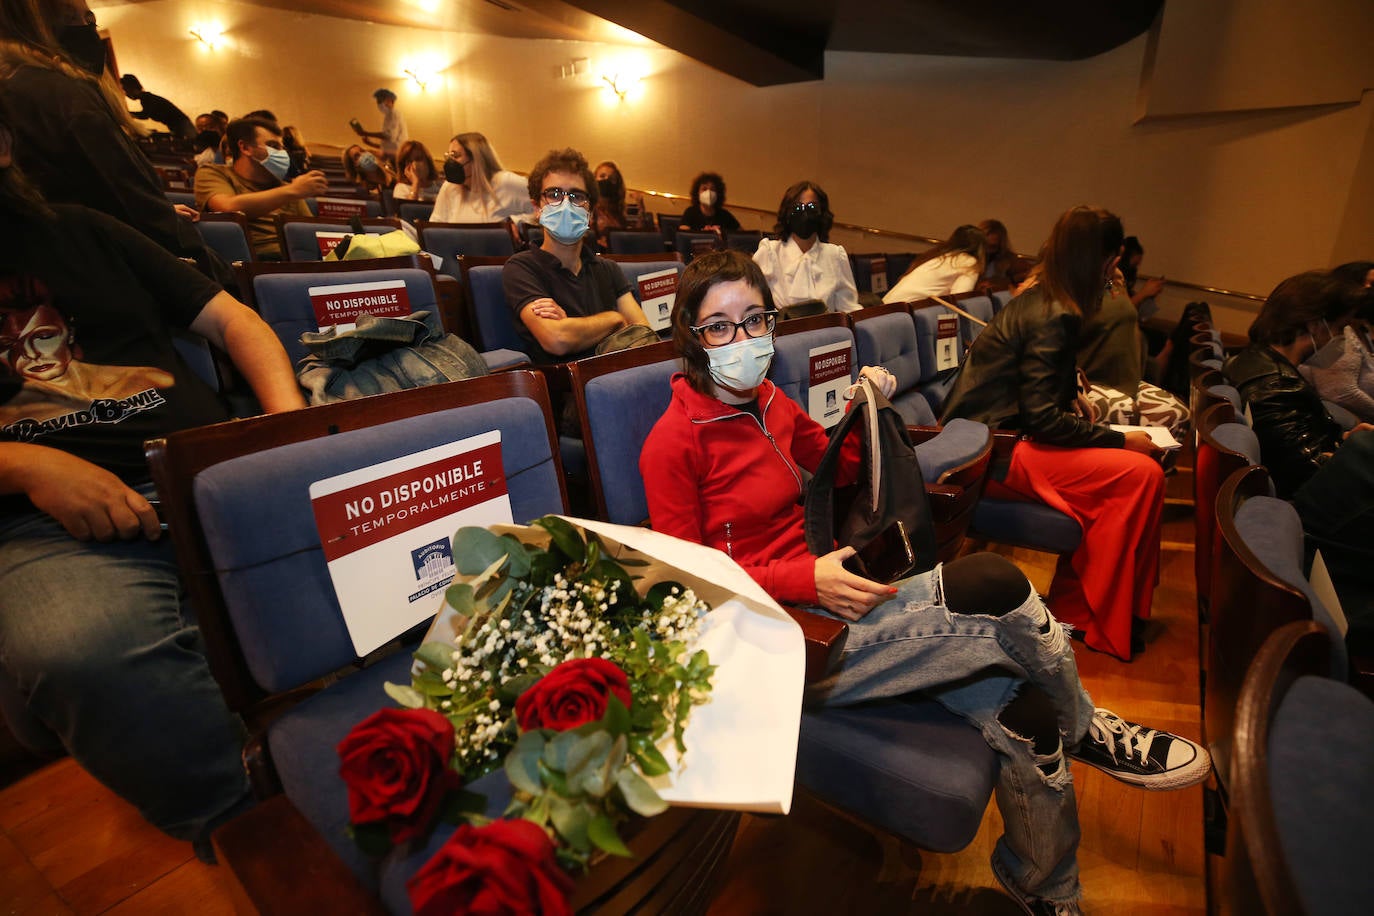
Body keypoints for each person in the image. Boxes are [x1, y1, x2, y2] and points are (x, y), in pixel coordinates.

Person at [640, 249, 1211, 916]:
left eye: (755, 319)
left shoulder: (769, 400)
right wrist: (802, 576)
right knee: (994, 580)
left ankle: (1045, 888)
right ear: (691, 335)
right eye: (720, 326)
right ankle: (1086, 725)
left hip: (834, 592)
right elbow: (687, 582)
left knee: (1028, 714)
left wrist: (867, 411)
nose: (743, 340)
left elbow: (841, 468)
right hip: (782, 639)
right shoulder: (673, 441)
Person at [0, 107, 306, 859]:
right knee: (83, 650)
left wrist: (285, 430)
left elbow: (238, 326)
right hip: (44, 525)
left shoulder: (84, 228)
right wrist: (28, 464)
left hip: (212, 472)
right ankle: (258, 835)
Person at [942, 206, 1168, 661]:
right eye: (1115, 261)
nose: (1117, 271)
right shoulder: (1057, 311)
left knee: (1143, 470)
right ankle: (1092, 613)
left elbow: (1038, 391)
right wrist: (1121, 440)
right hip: (992, 451)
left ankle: (1095, 606)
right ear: (1105, 260)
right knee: (1139, 473)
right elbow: (1042, 419)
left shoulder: (1049, 298)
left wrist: (1071, 394)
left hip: (996, 439)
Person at [0, 0, 224, 277]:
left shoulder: (15, 88)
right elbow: (140, 213)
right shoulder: (65, 96)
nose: (89, 32)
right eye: (75, 19)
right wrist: (215, 277)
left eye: (92, 21)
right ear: (42, 26)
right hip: (109, 273)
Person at [1225, 271, 1374, 633]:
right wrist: (1350, 447)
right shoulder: (1275, 384)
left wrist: (1345, 442)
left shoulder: (1258, 363)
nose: (1341, 339)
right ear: (1315, 324)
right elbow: (1308, 477)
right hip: (1307, 529)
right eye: (1339, 328)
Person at [501, 147, 649, 364]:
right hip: (564, 392)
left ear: (589, 213)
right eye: (554, 194)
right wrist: (615, 319)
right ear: (537, 208)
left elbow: (643, 336)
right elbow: (557, 339)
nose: (566, 204)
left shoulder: (608, 269)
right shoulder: (521, 268)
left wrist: (574, 327)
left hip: (618, 381)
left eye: (577, 196)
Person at [194, 116, 327, 260]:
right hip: (253, 263)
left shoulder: (286, 189)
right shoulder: (213, 173)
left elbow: (311, 234)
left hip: (296, 261)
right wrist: (294, 190)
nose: (282, 153)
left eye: (282, 148)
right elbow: (227, 208)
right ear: (245, 147)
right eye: (274, 146)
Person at [753, 180, 859, 314]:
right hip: (783, 333)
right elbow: (753, 303)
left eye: (812, 208)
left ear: (822, 213)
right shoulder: (770, 252)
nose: (805, 214)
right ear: (787, 213)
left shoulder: (835, 255)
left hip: (826, 332)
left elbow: (849, 308)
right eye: (797, 207)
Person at [430, 132, 532, 224]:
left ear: (476, 158)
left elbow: (542, 211)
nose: (451, 162)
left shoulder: (507, 182)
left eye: (455, 156)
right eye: (448, 156)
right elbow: (435, 224)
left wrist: (516, 222)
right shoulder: (449, 187)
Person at [883, 224, 987, 304]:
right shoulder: (969, 262)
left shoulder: (939, 257)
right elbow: (959, 299)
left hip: (888, 307)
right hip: (904, 311)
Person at [118, 73, 194, 140]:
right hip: (178, 125)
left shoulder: (147, 98)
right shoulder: (146, 98)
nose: (125, 93)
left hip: (182, 125)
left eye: (125, 89)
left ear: (132, 87)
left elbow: (145, 115)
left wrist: (126, 114)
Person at [591, 160, 647, 249]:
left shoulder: (617, 210)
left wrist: (641, 207)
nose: (606, 180)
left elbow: (637, 234)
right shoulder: (589, 207)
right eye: (602, 176)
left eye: (611, 178)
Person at [350, 88, 407, 164]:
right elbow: (389, 145)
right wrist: (370, 143)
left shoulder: (394, 114)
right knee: (368, 154)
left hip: (398, 157)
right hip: (392, 156)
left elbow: (389, 136)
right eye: (378, 102)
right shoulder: (388, 117)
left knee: (367, 156)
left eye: (381, 101)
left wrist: (365, 133)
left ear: (390, 101)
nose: (380, 105)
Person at [678, 171, 740, 237]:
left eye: (713, 189)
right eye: (704, 189)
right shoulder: (690, 212)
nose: (709, 192)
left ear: (718, 194)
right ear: (697, 193)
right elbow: (683, 236)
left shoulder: (724, 215)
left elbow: (743, 236)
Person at [977, 218, 1027, 288]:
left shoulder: (1009, 259)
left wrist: (1006, 281)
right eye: (986, 246)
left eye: (994, 246)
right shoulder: (970, 260)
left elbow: (1029, 273)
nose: (989, 250)